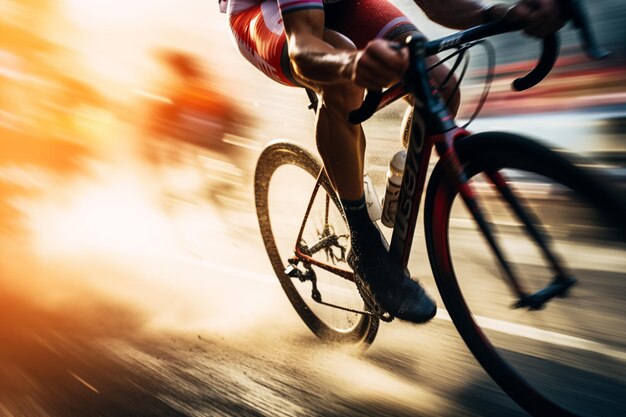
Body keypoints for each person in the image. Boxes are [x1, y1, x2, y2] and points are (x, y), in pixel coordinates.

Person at [221, 0, 565, 323]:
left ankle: (403, 168)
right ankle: (364, 243)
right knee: (341, 74)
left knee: (439, 83)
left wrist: (498, 15)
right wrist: (352, 64)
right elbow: (303, 48)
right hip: (264, 14)